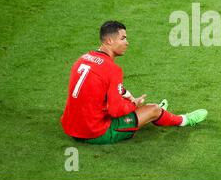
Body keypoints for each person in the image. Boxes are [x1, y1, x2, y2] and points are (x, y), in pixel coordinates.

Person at [61, 20, 207, 144]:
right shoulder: (112, 69)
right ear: (110, 41)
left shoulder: (83, 59)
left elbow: (102, 88)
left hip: (72, 128)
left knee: (125, 101)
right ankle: (183, 120)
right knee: (153, 109)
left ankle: (159, 114)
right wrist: (134, 104)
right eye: (123, 38)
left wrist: (127, 95)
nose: (127, 43)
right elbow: (116, 111)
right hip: (94, 133)